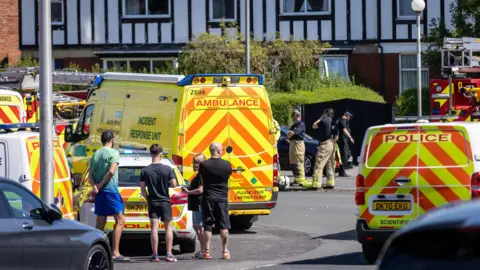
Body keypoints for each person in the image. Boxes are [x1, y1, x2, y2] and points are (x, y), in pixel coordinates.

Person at [88, 130, 129, 262]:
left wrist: (95, 186)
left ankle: (96, 251)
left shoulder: (96, 154)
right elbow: (111, 171)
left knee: (100, 221)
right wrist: (99, 185)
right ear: (112, 140)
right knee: (120, 220)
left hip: (100, 193)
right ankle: (115, 253)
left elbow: (90, 175)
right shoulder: (114, 153)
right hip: (110, 190)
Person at [139, 144, 178, 262]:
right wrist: (166, 184)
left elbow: (142, 188)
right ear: (161, 154)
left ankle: (155, 254)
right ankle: (169, 253)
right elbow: (174, 184)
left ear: (150, 154)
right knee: (168, 228)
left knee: (154, 229)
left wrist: (148, 199)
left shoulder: (145, 170)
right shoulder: (167, 169)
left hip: (153, 202)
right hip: (165, 201)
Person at [199, 143, 233, 260]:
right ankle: (224, 251)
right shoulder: (227, 165)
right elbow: (228, 176)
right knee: (224, 226)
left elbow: (202, 177)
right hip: (222, 198)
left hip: (208, 197)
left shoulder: (203, 165)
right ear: (219, 151)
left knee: (208, 224)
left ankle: (207, 251)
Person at [183, 153, 207, 259]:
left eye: (197, 162)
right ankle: (202, 250)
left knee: (200, 228)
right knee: (197, 227)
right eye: (194, 162)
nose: (194, 164)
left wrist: (188, 192)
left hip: (199, 203)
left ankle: (204, 250)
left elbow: (200, 190)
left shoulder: (202, 174)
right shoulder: (199, 174)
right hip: (195, 204)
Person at [311, 108, 336, 189]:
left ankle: (316, 183)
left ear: (325, 113)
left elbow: (314, 126)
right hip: (332, 143)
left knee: (319, 163)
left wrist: (320, 118)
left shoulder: (323, 121)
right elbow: (336, 135)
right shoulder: (334, 122)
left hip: (325, 144)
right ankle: (330, 182)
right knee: (330, 164)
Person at [288, 110, 306, 186]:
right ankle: (296, 179)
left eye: (293, 115)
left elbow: (292, 133)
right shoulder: (294, 125)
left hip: (298, 144)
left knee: (298, 162)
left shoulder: (301, 124)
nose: (292, 117)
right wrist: (290, 134)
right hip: (293, 144)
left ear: (297, 116)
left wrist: (290, 134)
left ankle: (301, 180)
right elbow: (289, 134)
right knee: (293, 162)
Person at [337, 111, 354, 177]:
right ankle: (342, 172)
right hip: (343, 140)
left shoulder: (342, 120)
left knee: (344, 155)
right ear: (347, 115)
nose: (349, 119)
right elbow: (344, 130)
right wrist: (350, 137)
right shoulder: (343, 120)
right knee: (344, 155)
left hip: (344, 140)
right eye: (350, 117)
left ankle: (341, 171)